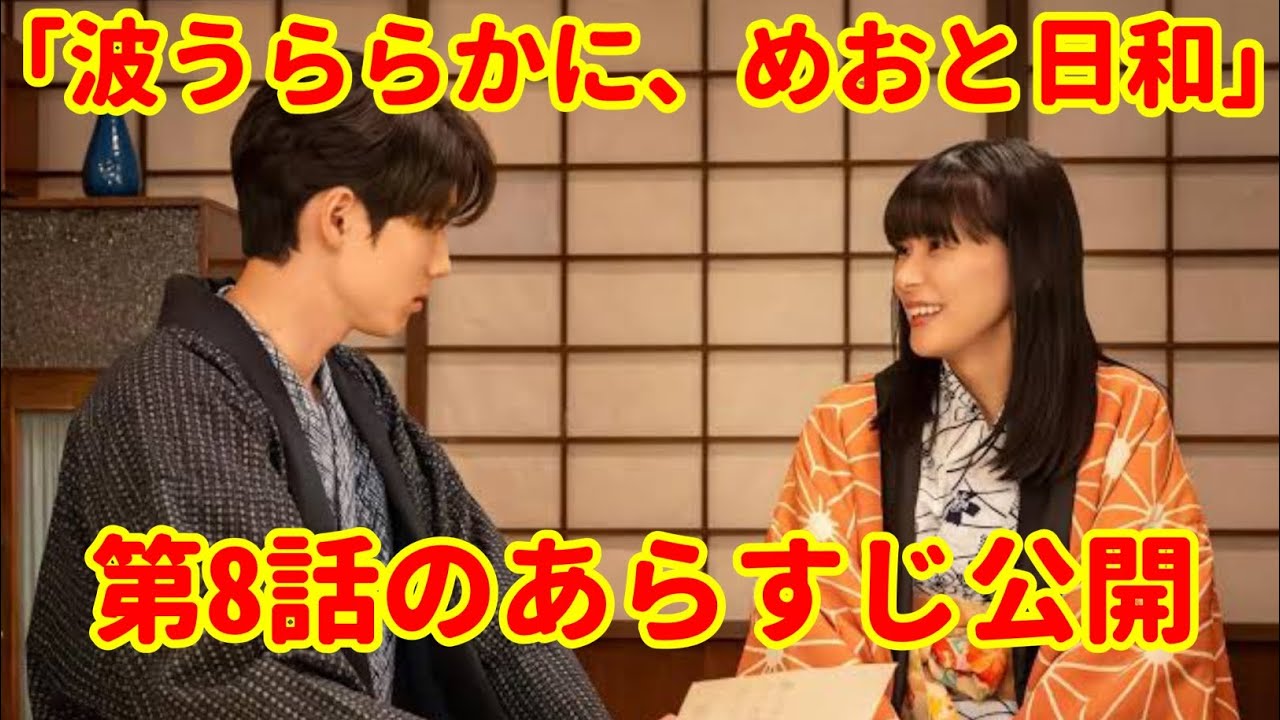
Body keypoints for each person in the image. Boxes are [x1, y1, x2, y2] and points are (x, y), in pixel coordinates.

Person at [25, 51, 612, 719]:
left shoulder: (357, 391)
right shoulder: (169, 395)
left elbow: (489, 595)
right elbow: (233, 676)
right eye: (430, 224)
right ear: (339, 217)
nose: (442, 262)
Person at [735, 138, 1239, 719]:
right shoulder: (847, 423)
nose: (907, 276)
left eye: (938, 246)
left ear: (1031, 259)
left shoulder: (1123, 414)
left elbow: (1138, 639)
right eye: (902, 250)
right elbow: (809, 627)